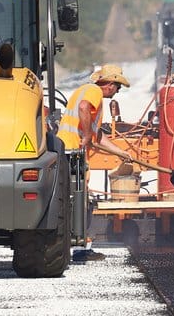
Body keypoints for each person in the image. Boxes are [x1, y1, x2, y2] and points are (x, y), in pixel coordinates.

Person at [57, 64, 132, 261]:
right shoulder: (93, 91)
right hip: (73, 151)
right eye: (118, 87)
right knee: (79, 200)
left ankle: (76, 247)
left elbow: (97, 136)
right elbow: (83, 110)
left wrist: (120, 152)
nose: (117, 91)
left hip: (69, 150)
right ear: (109, 84)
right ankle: (80, 250)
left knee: (77, 199)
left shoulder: (85, 91)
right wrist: (87, 135)